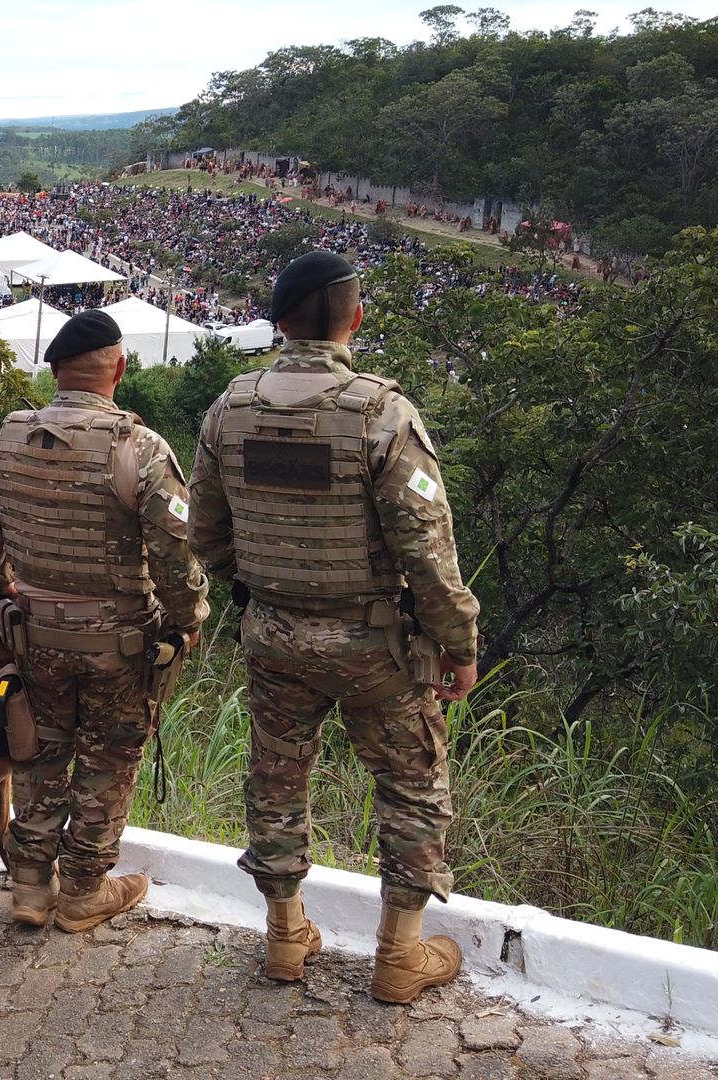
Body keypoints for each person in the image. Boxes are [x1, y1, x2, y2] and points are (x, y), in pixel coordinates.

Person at [186, 250, 481, 1004]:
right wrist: (459, 644)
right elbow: (428, 548)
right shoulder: (384, 413)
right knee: (411, 788)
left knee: (276, 779)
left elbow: (207, 534)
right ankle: (398, 958)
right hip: (375, 645)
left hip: (274, 636)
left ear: (278, 322)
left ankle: (286, 940)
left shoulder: (230, 408)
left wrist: (260, 587)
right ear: (355, 317)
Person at [0, 310, 210, 933]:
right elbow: (176, 554)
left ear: (54, 372)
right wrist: (189, 621)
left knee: (38, 752)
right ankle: (80, 889)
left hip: (35, 635)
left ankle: (28, 886)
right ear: (120, 369)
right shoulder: (140, 448)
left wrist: (0, 598)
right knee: (107, 761)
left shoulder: (9, 439)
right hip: (118, 646)